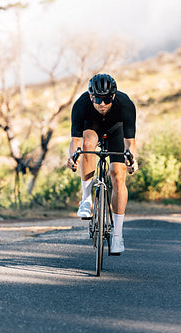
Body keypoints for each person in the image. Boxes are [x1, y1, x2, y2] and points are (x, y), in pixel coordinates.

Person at [66, 73, 138, 255]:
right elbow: (75, 141)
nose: (102, 104)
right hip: (92, 127)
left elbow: (130, 143)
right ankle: (86, 199)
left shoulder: (125, 104)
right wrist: (72, 157)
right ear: (91, 96)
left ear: (113, 96)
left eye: (106, 99)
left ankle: (118, 236)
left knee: (117, 175)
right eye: (98, 99)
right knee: (87, 144)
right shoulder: (81, 104)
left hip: (116, 130)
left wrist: (132, 160)